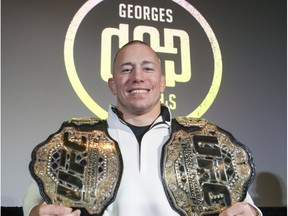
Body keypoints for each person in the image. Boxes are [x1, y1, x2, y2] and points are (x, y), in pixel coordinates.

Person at [23, 40, 262, 216]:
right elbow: (35, 204)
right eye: (126, 69)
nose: (138, 77)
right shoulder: (75, 141)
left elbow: (242, 207)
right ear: (112, 84)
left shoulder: (205, 139)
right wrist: (35, 213)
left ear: (162, 82)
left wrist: (251, 213)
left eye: (148, 68)